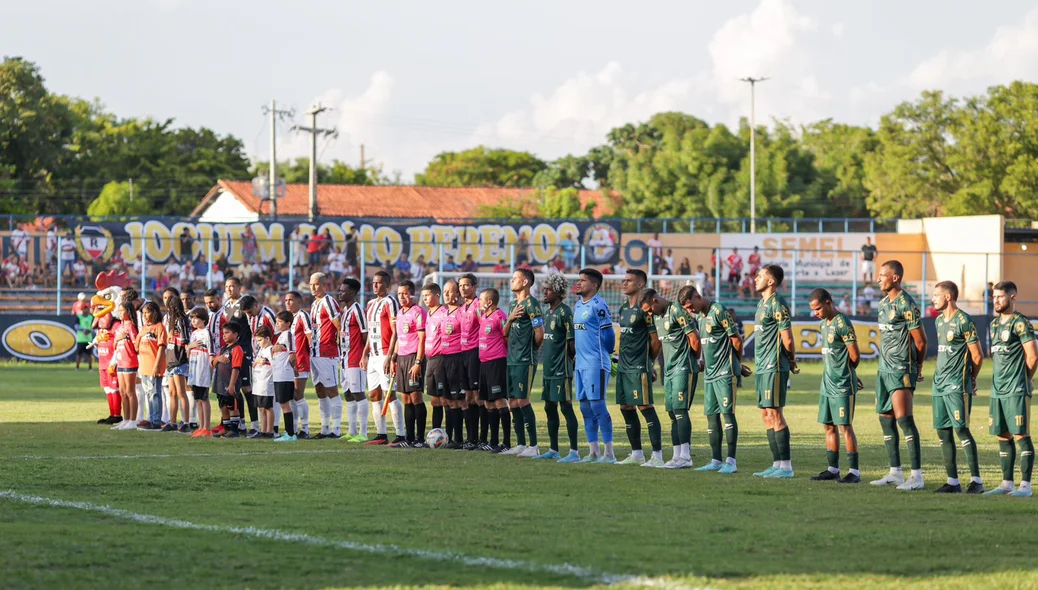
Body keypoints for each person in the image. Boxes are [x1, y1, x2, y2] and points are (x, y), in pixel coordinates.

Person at [871, 260, 927, 490]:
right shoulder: (883, 304)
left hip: (901, 369)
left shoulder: (907, 304)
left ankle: (917, 476)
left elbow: (921, 340)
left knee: (904, 419)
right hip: (883, 369)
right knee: (885, 418)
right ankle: (895, 472)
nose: (878, 278)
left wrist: (917, 367)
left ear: (895, 278)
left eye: (882, 275)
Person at [983, 281, 1037, 497]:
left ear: (1012, 297)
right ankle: (1006, 484)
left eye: (1000, 297)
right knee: (1002, 436)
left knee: (1021, 435)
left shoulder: (1021, 323)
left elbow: (1032, 356)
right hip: (997, 390)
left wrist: (1025, 378)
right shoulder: (994, 325)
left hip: (1016, 388)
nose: (996, 300)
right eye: (994, 297)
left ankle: (1026, 486)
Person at [929, 281, 984, 494]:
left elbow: (977, 355)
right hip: (939, 384)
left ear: (948, 297)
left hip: (957, 384)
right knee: (943, 432)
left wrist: (971, 377)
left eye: (936, 295)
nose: (933, 299)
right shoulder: (939, 321)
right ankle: (953, 482)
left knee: (961, 429)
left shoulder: (964, 321)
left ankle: (976, 481)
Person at [684, 287, 743, 474]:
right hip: (709, 374)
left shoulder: (718, 310)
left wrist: (736, 363)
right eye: (687, 308)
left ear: (698, 297)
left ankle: (731, 461)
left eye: (691, 306)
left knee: (727, 414)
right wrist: (703, 361)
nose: (690, 310)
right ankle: (716, 460)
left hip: (725, 372)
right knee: (711, 416)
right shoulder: (700, 317)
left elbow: (736, 340)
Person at [640, 287, 699, 469]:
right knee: (672, 413)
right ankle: (676, 456)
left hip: (683, 368)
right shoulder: (657, 317)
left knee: (681, 411)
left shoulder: (677, 311)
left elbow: (694, 338)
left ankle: (686, 456)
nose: (649, 313)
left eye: (649, 309)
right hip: (669, 370)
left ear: (655, 301)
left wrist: (693, 361)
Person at [807, 289, 862, 484]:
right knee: (828, 426)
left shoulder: (842, 322)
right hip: (826, 383)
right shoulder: (824, 324)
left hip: (842, 385)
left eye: (818, 308)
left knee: (845, 426)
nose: (816, 313)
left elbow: (855, 355)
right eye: (813, 310)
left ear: (828, 302)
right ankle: (833, 469)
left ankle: (854, 472)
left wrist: (849, 374)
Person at [752, 264, 798, 479]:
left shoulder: (778, 303)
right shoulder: (762, 304)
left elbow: (787, 337)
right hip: (762, 367)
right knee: (766, 414)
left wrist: (791, 359)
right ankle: (776, 463)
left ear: (771, 281)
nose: (755, 278)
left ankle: (786, 467)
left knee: (775, 413)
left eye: (760, 276)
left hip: (774, 365)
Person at [614, 269, 664, 467]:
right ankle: (636, 453)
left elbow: (656, 341)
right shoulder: (623, 308)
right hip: (624, 367)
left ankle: (657, 456)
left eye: (629, 281)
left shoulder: (645, 310)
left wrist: (648, 363)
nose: (624, 284)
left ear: (641, 284)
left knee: (645, 407)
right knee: (626, 407)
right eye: (624, 280)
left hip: (638, 366)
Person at [532, 273, 580, 462]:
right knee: (549, 407)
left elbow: (572, 343)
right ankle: (553, 450)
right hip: (549, 369)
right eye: (544, 289)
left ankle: (574, 452)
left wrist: (568, 362)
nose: (544, 292)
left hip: (562, 369)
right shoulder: (548, 313)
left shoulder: (565, 312)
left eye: (548, 289)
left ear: (558, 292)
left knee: (566, 407)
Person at [571, 268, 616, 463]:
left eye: (583, 281)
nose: (578, 283)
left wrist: (605, 355)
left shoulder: (599, 305)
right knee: (584, 407)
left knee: (597, 404)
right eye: (578, 280)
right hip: (580, 364)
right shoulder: (578, 305)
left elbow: (609, 335)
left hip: (595, 363)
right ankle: (593, 452)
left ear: (594, 285)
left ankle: (609, 453)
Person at [500, 268, 544, 457]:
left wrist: (529, 350)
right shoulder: (511, 305)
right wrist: (509, 319)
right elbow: (504, 333)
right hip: (512, 359)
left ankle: (533, 446)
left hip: (525, 359)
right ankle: (520, 444)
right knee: (512, 401)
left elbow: (539, 334)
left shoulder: (532, 304)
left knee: (522, 399)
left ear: (525, 282)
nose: (512, 281)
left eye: (515, 278)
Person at [362, 270, 405, 445]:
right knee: (373, 394)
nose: (375, 285)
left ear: (387, 285)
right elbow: (371, 332)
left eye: (379, 283)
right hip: (373, 355)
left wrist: (390, 356)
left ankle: (401, 435)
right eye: (373, 282)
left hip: (385, 354)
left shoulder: (390, 302)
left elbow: (396, 331)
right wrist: (365, 353)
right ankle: (381, 434)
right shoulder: (371, 304)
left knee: (390, 394)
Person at [389, 280, 428, 448]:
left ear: (411, 294)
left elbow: (422, 340)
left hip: (414, 358)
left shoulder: (418, 312)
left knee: (415, 396)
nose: (402, 297)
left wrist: (418, 362)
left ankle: (420, 438)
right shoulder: (399, 313)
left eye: (405, 293)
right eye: (399, 294)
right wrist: (394, 358)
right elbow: (398, 338)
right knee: (405, 398)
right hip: (402, 358)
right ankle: (409, 438)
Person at [307, 272, 345, 439]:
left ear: (324, 285)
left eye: (316, 284)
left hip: (327, 352)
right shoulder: (315, 304)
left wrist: (341, 347)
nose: (313, 288)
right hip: (315, 352)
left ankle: (336, 430)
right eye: (311, 284)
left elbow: (339, 326)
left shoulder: (328, 301)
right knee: (320, 391)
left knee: (331, 391)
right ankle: (324, 429)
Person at [478, 287, 511, 452]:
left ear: (489, 302)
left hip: (496, 363)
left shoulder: (500, 316)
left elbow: (507, 338)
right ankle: (493, 441)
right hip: (484, 363)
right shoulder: (484, 316)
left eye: (481, 299)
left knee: (499, 400)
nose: (479, 302)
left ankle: (506, 443)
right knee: (488, 402)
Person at [337, 279, 370, 442]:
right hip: (344, 359)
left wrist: (364, 355)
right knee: (348, 394)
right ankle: (351, 430)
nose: (340, 293)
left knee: (358, 394)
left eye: (343, 290)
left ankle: (363, 433)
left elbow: (366, 334)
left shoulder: (358, 310)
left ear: (352, 293)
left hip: (355, 358)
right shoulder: (345, 310)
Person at [439, 280, 469, 447]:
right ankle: (448, 437)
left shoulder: (461, 312)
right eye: (445, 291)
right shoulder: (443, 312)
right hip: (444, 359)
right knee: (447, 399)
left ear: (457, 293)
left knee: (458, 400)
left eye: (450, 291)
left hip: (457, 358)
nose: (447, 294)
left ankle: (459, 438)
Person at [458, 274, 485, 449]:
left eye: (466, 285)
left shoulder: (477, 305)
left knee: (477, 396)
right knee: (467, 397)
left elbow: (485, 325)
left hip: (475, 353)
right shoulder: (461, 308)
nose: (463, 288)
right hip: (462, 354)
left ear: (474, 287)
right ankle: (471, 438)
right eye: (460, 286)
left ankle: (482, 439)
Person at [284, 291, 313, 438]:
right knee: (291, 396)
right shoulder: (287, 319)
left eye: (291, 300)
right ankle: (294, 429)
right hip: (289, 362)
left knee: (298, 394)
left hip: (301, 361)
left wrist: (309, 356)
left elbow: (310, 337)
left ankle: (305, 429)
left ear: (299, 302)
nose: (288, 303)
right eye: (286, 300)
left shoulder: (303, 316)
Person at [135, 302, 168, 432]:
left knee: (155, 394)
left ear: (154, 312)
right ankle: (151, 418)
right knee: (149, 393)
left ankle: (156, 421)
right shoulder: (144, 328)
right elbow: (137, 346)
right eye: (143, 313)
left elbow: (161, 347)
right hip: (144, 366)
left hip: (154, 366)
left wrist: (156, 366)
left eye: (147, 312)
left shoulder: (159, 327)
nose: (145, 315)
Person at [421, 282, 448, 441]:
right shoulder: (429, 313)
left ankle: (448, 433)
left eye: (427, 295)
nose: (424, 298)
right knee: (434, 399)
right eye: (423, 296)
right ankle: (435, 434)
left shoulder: (444, 312)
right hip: (430, 360)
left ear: (437, 296)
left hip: (441, 359)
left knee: (444, 398)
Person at [212, 322, 245, 438]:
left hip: (229, 383)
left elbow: (236, 368)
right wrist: (218, 359)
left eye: (227, 333)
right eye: (223, 333)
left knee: (232, 408)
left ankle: (235, 431)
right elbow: (213, 364)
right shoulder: (222, 349)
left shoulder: (237, 349)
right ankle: (226, 430)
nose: (224, 336)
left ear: (236, 334)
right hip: (220, 383)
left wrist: (232, 385)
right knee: (223, 407)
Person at [111, 302, 140, 430]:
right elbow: (114, 346)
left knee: (130, 391)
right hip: (120, 361)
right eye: (119, 310)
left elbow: (136, 346)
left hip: (129, 361)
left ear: (129, 311)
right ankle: (126, 419)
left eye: (123, 310)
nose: (120, 312)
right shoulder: (120, 326)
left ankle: (133, 420)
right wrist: (117, 339)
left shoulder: (131, 326)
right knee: (122, 392)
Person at [164, 296, 192, 433]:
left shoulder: (181, 319)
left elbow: (186, 340)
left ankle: (186, 422)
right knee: (172, 392)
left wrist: (173, 337)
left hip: (179, 358)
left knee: (181, 392)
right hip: (170, 358)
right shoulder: (171, 321)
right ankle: (172, 421)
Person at [186, 307, 214, 437]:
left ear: (203, 319)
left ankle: (206, 427)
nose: (193, 320)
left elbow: (211, 351)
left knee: (204, 398)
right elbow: (188, 352)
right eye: (192, 318)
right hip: (193, 368)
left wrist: (210, 369)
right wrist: (190, 347)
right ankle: (200, 426)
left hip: (203, 369)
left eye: (195, 318)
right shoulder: (193, 334)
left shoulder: (207, 333)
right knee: (197, 399)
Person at [272, 311, 299, 442]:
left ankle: (290, 433)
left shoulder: (288, 334)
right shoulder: (281, 335)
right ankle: (289, 433)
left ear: (288, 323)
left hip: (284, 374)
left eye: (280, 321)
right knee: (284, 404)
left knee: (285, 404)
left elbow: (292, 354)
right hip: (279, 374)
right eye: (276, 321)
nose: (277, 324)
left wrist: (292, 368)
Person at [252, 325, 276, 438]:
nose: (259, 343)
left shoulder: (271, 349)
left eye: (260, 340)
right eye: (257, 340)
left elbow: (274, 364)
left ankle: (270, 431)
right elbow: (254, 362)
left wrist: (263, 361)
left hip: (267, 383)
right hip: (258, 382)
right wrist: (257, 361)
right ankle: (263, 430)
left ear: (267, 338)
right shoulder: (261, 350)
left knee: (267, 407)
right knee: (261, 408)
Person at [75, 306, 94, 371]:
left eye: (85, 309)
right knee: (79, 354)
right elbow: (76, 326)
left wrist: (89, 330)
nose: (83, 310)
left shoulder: (91, 317)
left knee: (89, 354)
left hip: (89, 338)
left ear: (87, 309)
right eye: (82, 309)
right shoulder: (79, 317)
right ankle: (77, 367)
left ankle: (90, 367)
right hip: (81, 339)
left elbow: (94, 326)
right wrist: (83, 329)